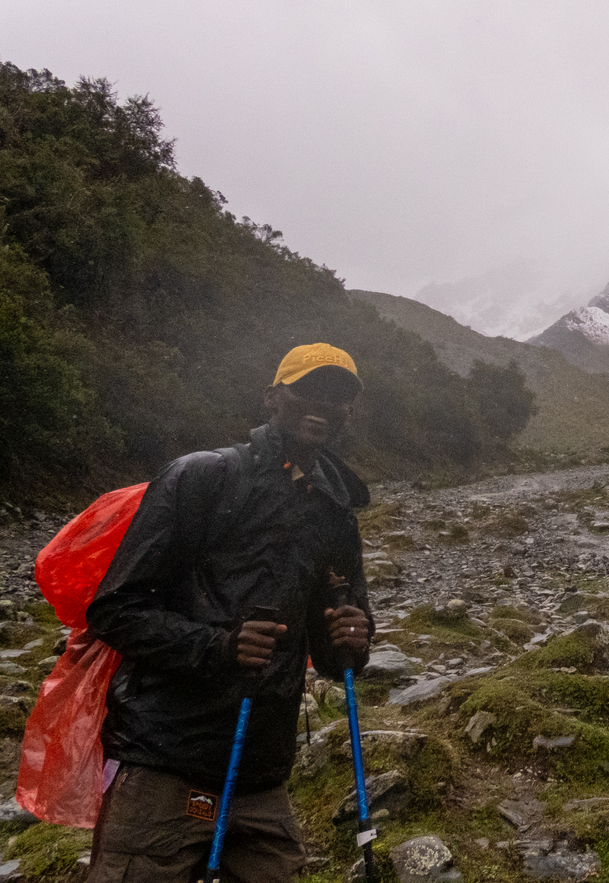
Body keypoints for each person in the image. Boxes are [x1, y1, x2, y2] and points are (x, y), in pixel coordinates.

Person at [85, 343, 377, 883]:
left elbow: (337, 657)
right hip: (166, 757)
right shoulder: (203, 477)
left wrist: (353, 640)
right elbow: (114, 609)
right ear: (272, 399)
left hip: (261, 770)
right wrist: (218, 647)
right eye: (308, 389)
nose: (323, 404)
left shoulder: (336, 513)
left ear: (349, 414)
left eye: (339, 396)